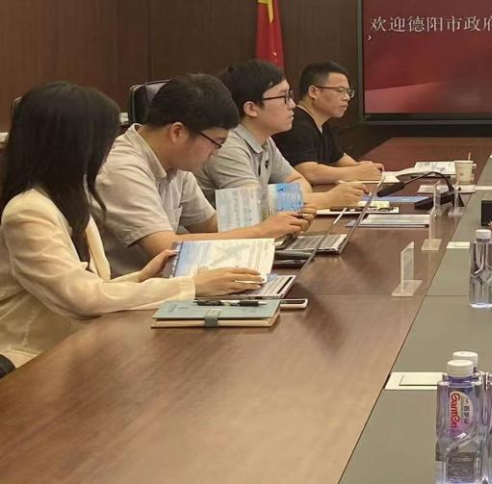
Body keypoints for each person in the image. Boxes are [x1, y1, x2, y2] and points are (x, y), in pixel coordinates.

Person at [0, 83, 261, 377]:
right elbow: (81, 299)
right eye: (104, 140)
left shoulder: (67, 200)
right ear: (73, 146)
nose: (109, 150)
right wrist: (191, 286)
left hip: (80, 347)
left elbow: (93, 287)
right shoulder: (28, 211)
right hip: (33, 362)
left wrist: (141, 277)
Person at [94, 74, 312, 275]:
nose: (216, 153)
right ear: (177, 132)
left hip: (170, 283)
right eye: (216, 143)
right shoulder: (122, 168)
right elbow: (166, 247)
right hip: (133, 295)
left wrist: (282, 221)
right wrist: (260, 232)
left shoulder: (176, 163)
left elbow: (210, 224)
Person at [195, 59, 367, 209]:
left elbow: (298, 181)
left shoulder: (265, 141)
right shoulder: (227, 145)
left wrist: (273, 198)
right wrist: (327, 199)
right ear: (252, 108)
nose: (292, 104)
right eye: (283, 97)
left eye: (290, 96)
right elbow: (252, 205)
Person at [273, 61, 382, 184]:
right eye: (340, 90)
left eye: (348, 92)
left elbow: (339, 158)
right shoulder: (295, 124)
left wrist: (361, 167)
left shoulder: (323, 124)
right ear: (313, 92)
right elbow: (309, 173)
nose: (346, 97)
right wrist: (357, 172)